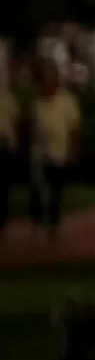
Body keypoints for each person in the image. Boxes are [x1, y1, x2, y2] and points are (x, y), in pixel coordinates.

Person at [29, 62, 81, 243]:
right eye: (45, 79)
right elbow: (32, 128)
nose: (49, 82)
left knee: (56, 190)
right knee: (38, 187)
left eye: (52, 78)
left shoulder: (67, 101)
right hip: (40, 153)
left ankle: (53, 224)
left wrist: (73, 150)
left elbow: (75, 128)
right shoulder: (37, 104)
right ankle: (37, 222)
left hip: (59, 153)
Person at [0, 65, 19, 239]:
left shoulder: (7, 98)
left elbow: (15, 122)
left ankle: (3, 221)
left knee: (4, 186)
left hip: (5, 148)